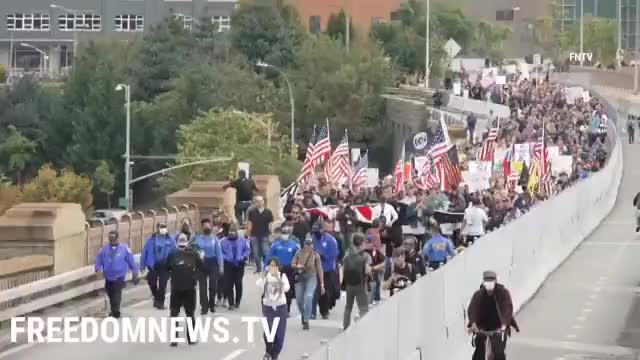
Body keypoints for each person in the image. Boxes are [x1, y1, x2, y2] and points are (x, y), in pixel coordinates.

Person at [166, 233, 207, 347]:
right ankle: (191, 338)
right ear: (187, 242)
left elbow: (166, 267)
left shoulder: (172, 254)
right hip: (189, 288)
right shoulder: (193, 254)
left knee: (174, 313)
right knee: (190, 314)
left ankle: (174, 339)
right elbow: (203, 267)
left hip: (176, 288)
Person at [467, 271, 518, 360]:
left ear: (495, 281)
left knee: (498, 351)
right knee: (479, 351)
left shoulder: (503, 293)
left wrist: (504, 324)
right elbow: (472, 309)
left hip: (499, 326)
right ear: (483, 281)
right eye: (487, 280)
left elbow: (507, 308)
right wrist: (473, 323)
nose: (489, 282)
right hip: (482, 327)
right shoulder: (478, 295)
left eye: (491, 279)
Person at [94, 230, 139, 318]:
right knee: (110, 293)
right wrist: (98, 269)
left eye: (114, 238)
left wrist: (135, 271)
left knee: (117, 292)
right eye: (110, 238)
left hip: (119, 276)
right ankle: (113, 310)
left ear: (117, 238)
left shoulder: (124, 248)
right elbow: (99, 260)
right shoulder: (104, 249)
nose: (112, 240)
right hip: (108, 276)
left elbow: (131, 260)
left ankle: (116, 311)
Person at [257, 258, 290, 360]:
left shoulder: (282, 276)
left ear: (278, 267)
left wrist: (278, 278)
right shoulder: (266, 277)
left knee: (279, 335)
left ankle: (275, 354)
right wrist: (263, 277)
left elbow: (286, 288)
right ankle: (268, 351)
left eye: (274, 266)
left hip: (281, 307)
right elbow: (259, 287)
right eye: (270, 265)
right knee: (269, 329)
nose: (272, 268)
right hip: (268, 307)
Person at [266, 221, 301, 314]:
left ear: (289, 234)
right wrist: (266, 266)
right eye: (283, 233)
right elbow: (269, 255)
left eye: (286, 233)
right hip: (278, 269)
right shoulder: (275, 244)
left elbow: (298, 257)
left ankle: (287, 309)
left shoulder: (294, 245)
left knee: (288, 290)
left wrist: (298, 269)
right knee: (275, 288)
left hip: (290, 270)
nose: (285, 235)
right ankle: (274, 307)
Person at [140, 222, 176, 309]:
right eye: (161, 227)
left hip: (165, 265)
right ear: (157, 228)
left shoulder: (170, 239)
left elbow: (175, 252)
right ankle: (156, 297)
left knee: (162, 285)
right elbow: (145, 252)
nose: (163, 228)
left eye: (164, 226)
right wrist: (142, 265)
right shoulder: (151, 240)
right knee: (151, 281)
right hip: (153, 265)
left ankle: (160, 303)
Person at [292, 236, 324, 330]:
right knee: (299, 300)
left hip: (311, 277)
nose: (308, 246)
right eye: (306, 244)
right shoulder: (299, 253)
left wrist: (322, 284)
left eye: (310, 244)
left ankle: (306, 320)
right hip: (300, 278)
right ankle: (303, 314)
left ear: (313, 245)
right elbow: (292, 264)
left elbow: (320, 269)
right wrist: (298, 266)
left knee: (309, 296)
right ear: (304, 244)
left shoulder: (315, 255)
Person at [193, 218, 224, 314]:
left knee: (213, 286)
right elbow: (194, 250)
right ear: (202, 228)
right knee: (202, 287)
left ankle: (211, 303)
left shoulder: (215, 238)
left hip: (213, 262)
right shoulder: (198, 238)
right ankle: (204, 307)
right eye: (205, 225)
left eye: (208, 225)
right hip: (201, 263)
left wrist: (221, 266)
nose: (207, 227)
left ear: (210, 227)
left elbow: (219, 252)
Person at [342, 233, 371, 330]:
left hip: (349, 285)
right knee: (363, 307)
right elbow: (367, 271)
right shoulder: (365, 256)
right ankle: (363, 327)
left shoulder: (347, 255)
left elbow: (343, 269)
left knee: (348, 307)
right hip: (360, 285)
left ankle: (345, 326)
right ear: (362, 243)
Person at [311, 221, 339, 320]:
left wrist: (322, 255)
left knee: (325, 292)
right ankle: (312, 313)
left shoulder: (331, 240)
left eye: (317, 231)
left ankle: (325, 312)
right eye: (314, 232)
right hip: (315, 269)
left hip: (328, 269)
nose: (315, 233)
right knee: (315, 290)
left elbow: (334, 255)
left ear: (322, 230)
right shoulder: (313, 238)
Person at [221, 224, 251, 310]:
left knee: (238, 283)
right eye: (230, 234)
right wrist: (226, 258)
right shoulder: (223, 241)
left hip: (239, 264)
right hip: (228, 264)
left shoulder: (243, 241)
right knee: (228, 284)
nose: (232, 236)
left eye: (233, 234)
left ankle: (237, 301)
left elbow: (247, 250)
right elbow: (220, 252)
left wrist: (243, 256)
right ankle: (231, 303)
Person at [247, 196, 274, 273]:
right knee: (255, 254)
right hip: (254, 235)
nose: (259, 203)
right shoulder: (252, 212)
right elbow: (249, 224)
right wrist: (248, 234)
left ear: (263, 202)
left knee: (266, 252)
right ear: (255, 202)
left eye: (260, 201)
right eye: (257, 201)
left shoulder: (268, 212)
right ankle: (259, 268)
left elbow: (270, 224)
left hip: (265, 235)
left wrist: (271, 234)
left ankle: (267, 267)